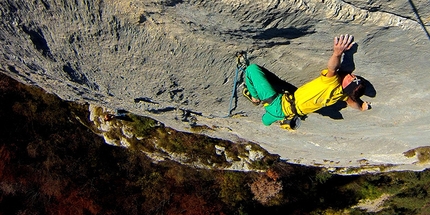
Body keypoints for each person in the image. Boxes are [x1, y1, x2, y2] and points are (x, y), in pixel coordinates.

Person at [243, 34, 370, 130]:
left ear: (346, 86)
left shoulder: (332, 82)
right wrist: (362, 107)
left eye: (351, 79)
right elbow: (353, 103)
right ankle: (277, 117)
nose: (350, 75)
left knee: (251, 69)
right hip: (289, 112)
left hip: (278, 104)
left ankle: (255, 98)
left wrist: (337, 53)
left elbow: (332, 67)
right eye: (353, 76)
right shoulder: (343, 95)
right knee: (265, 121)